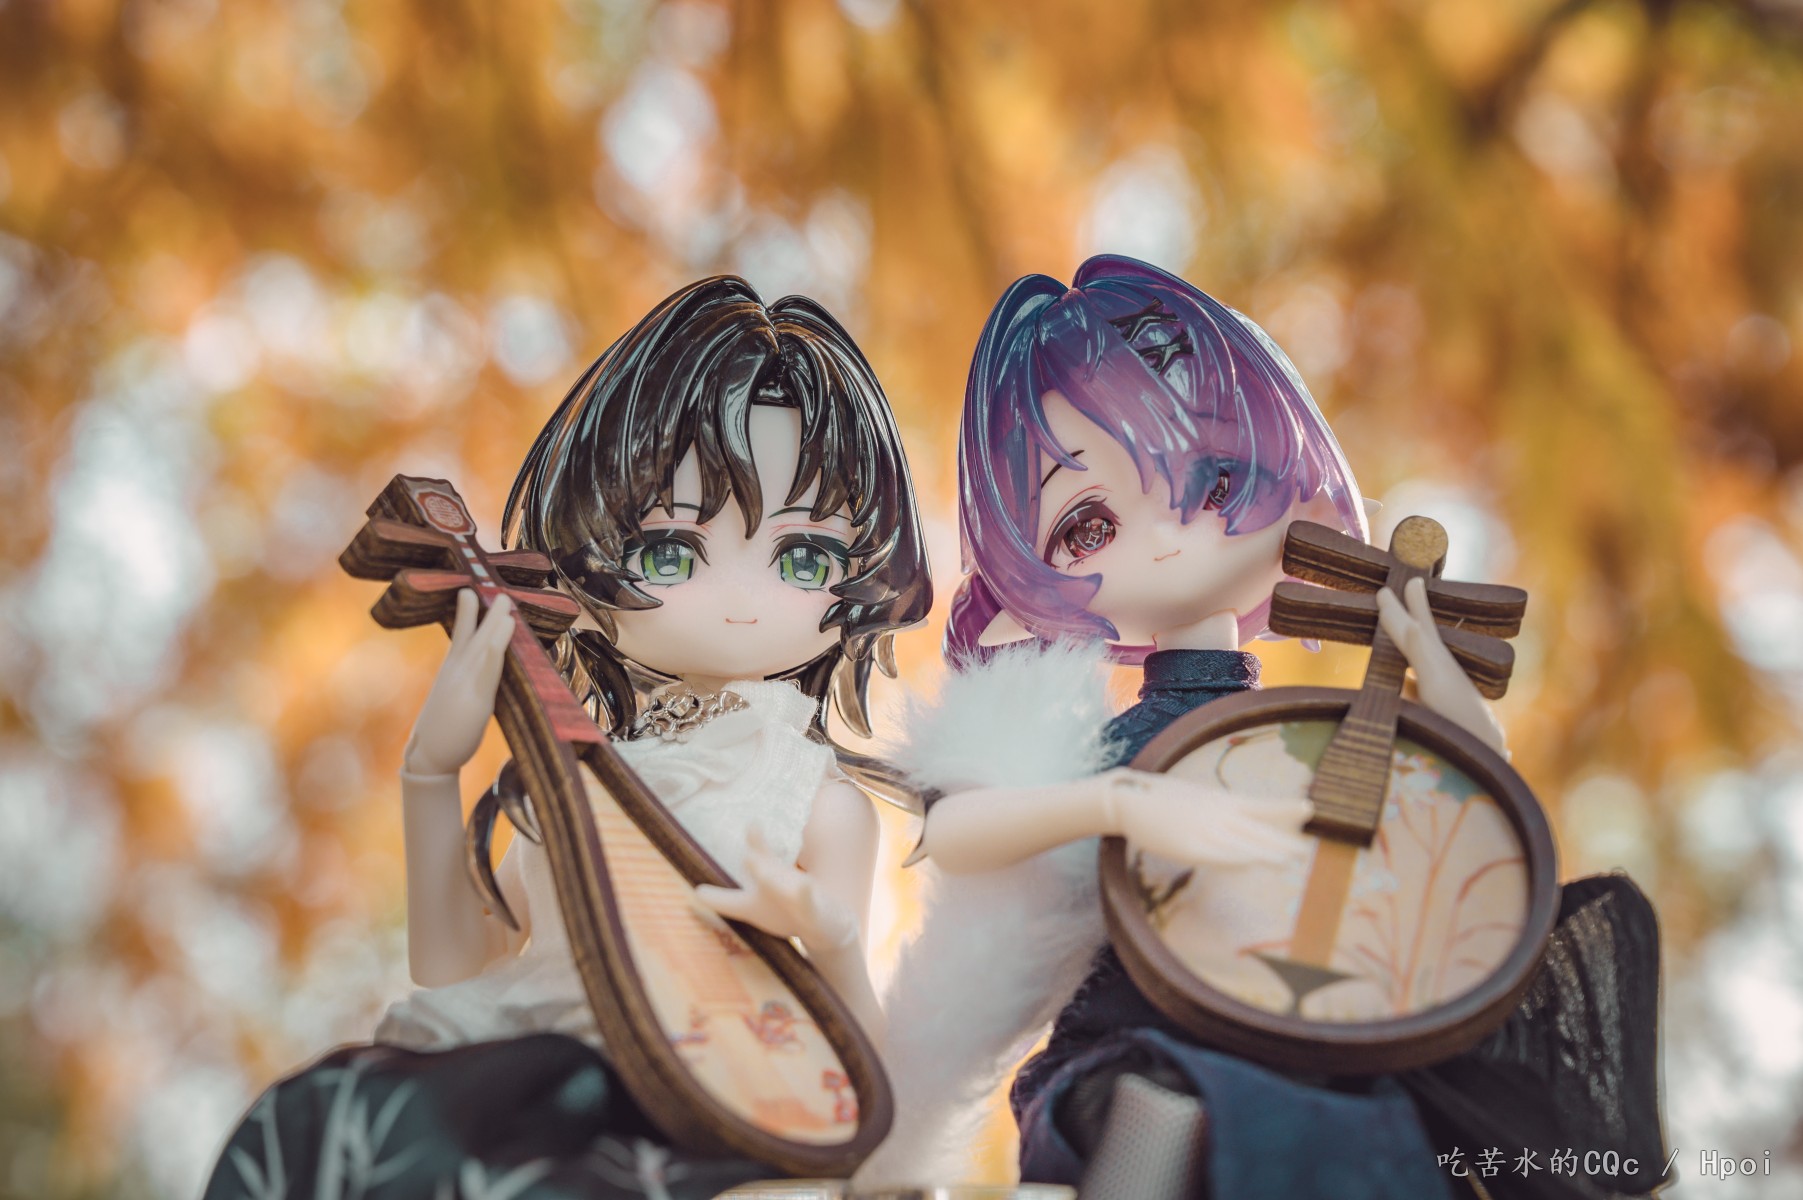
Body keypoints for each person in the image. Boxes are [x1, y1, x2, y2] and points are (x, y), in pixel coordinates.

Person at [899, 255, 1665, 1199]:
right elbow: (954, 832)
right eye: (1087, 526)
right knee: (1164, 1108)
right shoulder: (1109, 754)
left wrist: (1433, 672)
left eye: (1211, 480)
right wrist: (1118, 801)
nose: (1168, 535)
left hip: (1324, 1033)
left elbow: (1471, 797)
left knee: (1393, 1135)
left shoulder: (1305, 738)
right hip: (1154, 1028)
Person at [203, 276, 931, 1200]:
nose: (742, 601)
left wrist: (828, 938)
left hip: (695, 1117)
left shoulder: (814, 802)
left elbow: (860, 1083)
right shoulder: (589, 779)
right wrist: (430, 772)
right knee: (322, 1120)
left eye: (802, 558)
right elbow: (454, 964)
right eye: (670, 552)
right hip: (522, 1084)